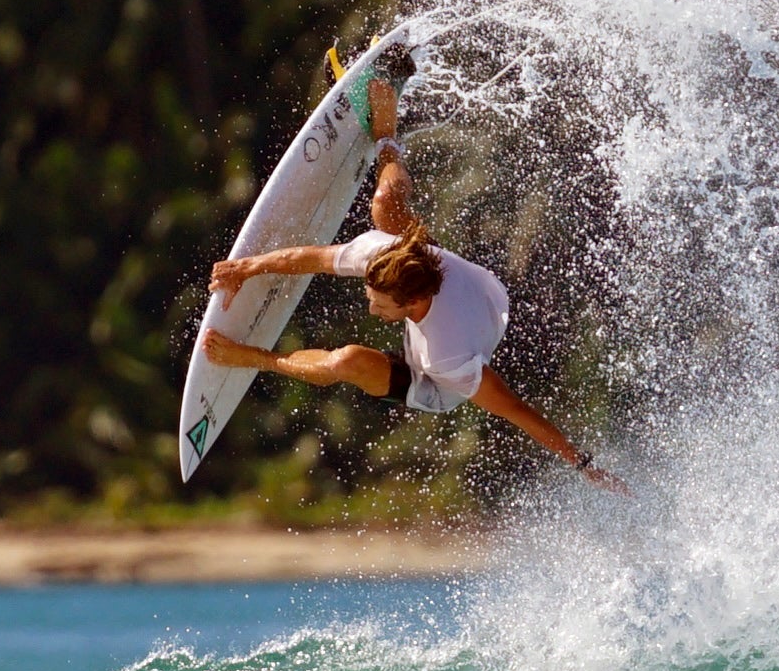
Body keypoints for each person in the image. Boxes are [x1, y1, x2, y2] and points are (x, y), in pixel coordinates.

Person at [200, 64, 628, 491]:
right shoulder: (391, 256)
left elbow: (514, 409)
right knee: (385, 205)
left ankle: (252, 356)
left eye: (379, 304)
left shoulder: (447, 357)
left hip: (437, 373)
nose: (370, 307)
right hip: (458, 288)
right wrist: (248, 267)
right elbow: (310, 258)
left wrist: (582, 463)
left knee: (347, 361)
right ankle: (386, 136)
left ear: (412, 304)